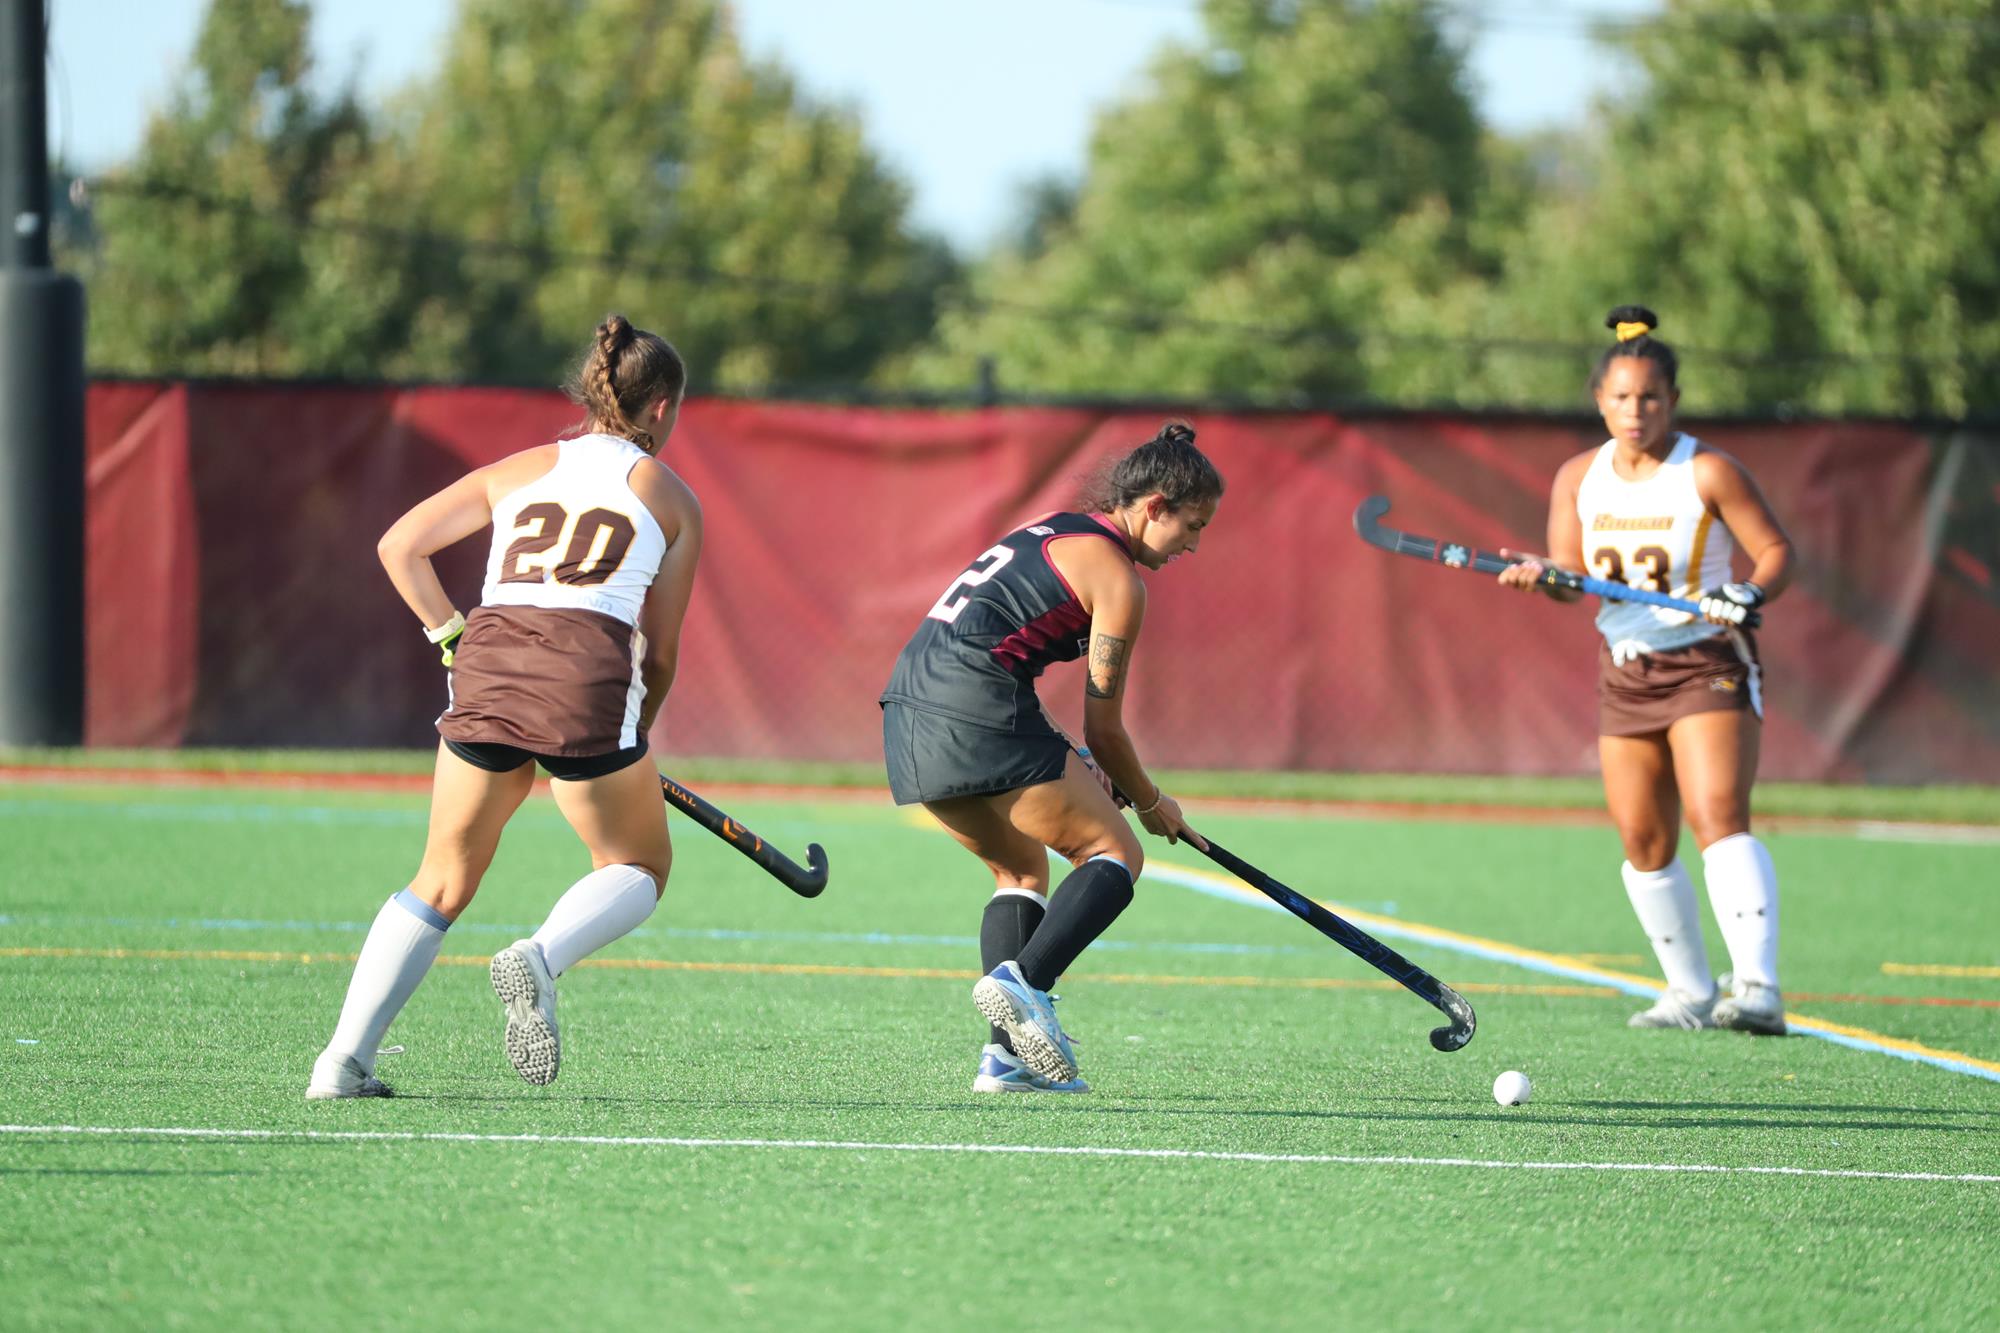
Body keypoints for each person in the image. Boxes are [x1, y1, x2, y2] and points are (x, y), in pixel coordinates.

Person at [306, 314, 702, 1097]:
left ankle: (342, 1062)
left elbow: (400, 547)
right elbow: (657, 654)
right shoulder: (673, 498)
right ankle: (542, 957)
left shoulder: (518, 468)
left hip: (487, 665)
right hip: (589, 676)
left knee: (441, 877)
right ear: (661, 409)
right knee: (638, 864)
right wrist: (636, 731)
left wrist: (449, 637)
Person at [880, 421, 1222, 1093]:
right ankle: (1024, 981)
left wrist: (1088, 766)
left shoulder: (1055, 528)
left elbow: (1001, 651)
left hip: (906, 713)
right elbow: (1105, 726)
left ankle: (1006, 1058)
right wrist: (1151, 802)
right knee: (1115, 853)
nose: (1195, 543)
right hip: (978, 706)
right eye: (1192, 524)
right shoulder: (1120, 582)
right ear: (1154, 505)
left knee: (1019, 867)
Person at [1499, 305, 1793, 1035]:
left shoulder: (1708, 470)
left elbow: (1779, 553)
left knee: (1717, 814)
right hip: (1624, 670)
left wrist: (1747, 591)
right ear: (1600, 401)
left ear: (1675, 402)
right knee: (1643, 841)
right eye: (1622, 398)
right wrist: (1545, 576)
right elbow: (1574, 581)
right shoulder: (1577, 477)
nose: (1636, 412)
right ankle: (1690, 990)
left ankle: (1756, 986)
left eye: (1651, 398)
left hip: (1704, 662)